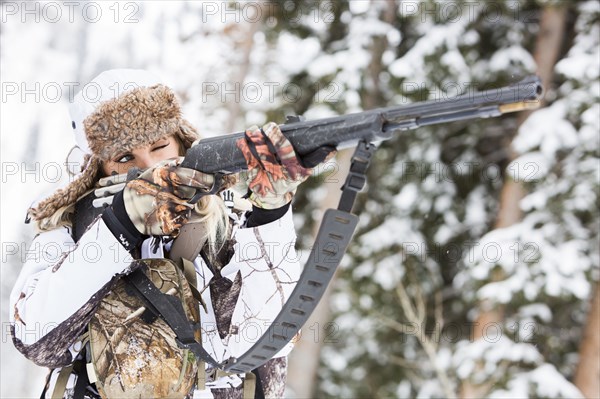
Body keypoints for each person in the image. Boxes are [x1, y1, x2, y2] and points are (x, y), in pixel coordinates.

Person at [9, 69, 327, 399]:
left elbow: (270, 337)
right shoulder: (69, 226)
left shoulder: (223, 218)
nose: (148, 165)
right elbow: (36, 338)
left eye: (159, 146)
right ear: (97, 170)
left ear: (180, 142)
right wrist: (119, 226)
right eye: (124, 157)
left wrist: (270, 211)